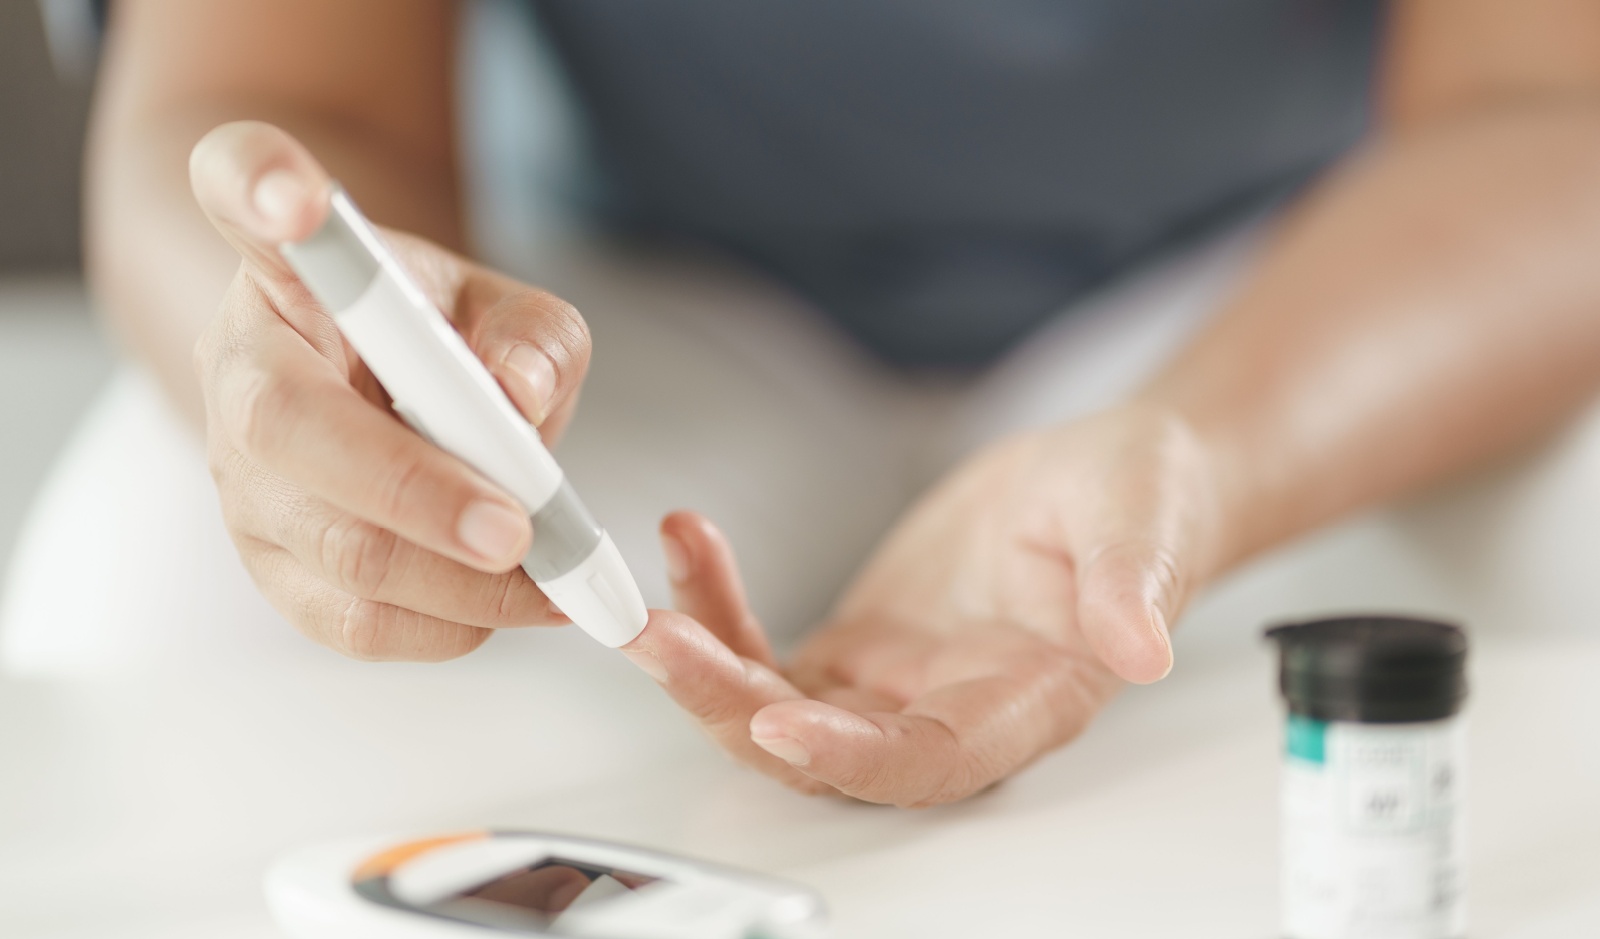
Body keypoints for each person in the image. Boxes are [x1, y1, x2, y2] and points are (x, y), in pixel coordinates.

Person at [82, 1, 1600, 806]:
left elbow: (1545, 113)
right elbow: (261, 92)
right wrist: (326, 362)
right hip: (625, 301)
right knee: (145, 597)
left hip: (1279, 290)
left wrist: (1204, 452)